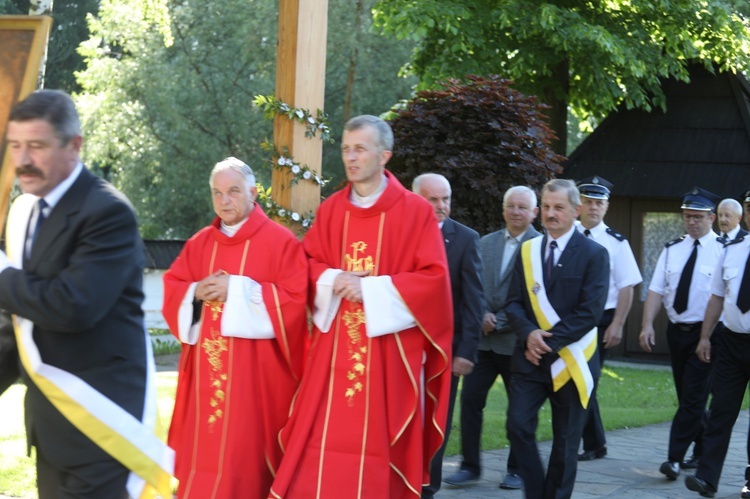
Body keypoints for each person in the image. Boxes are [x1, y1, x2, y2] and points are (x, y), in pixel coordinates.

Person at [268, 115, 453, 498]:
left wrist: (371, 290)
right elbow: (308, 265)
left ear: (384, 156)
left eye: (360, 150)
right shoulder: (333, 209)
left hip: (388, 357)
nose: (350, 158)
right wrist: (332, 279)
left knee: (376, 452)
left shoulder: (415, 211)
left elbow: (434, 282)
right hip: (333, 356)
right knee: (320, 444)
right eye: (346, 149)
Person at [0, 89, 173, 498]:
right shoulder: (26, 210)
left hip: (101, 427)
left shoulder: (107, 212)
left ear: (74, 146)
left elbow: (73, 306)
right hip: (51, 428)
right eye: (15, 145)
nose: (22, 159)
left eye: (37, 146)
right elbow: (18, 321)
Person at [162, 157, 308, 498]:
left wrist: (239, 290)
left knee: (244, 461)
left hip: (254, 381)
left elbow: (294, 301)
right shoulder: (199, 243)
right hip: (205, 379)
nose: (224, 201)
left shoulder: (280, 242)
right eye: (217, 193)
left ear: (254, 193)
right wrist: (194, 291)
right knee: (205, 454)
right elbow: (173, 289)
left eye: (233, 191)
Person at [505, 178, 609, 499]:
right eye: (546, 207)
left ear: (576, 210)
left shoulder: (595, 254)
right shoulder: (527, 251)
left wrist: (546, 341)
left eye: (558, 208)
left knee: (565, 443)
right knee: (517, 427)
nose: (550, 214)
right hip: (530, 360)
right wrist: (529, 334)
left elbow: (589, 312)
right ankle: (536, 492)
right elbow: (512, 302)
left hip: (572, 361)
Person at [443, 185, 541, 491]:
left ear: (534, 213)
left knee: (519, 411)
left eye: (522, 207)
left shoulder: (540, 247)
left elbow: (532, 300)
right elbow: (470, 286)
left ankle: (517, 469)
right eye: (511, 206)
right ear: (503, 209)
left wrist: (496, 321)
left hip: (517, 344)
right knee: (470, 401)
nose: (515, 212)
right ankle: (470, 465)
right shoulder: (483, 243)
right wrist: (481, 314)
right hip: (482, 345)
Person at [639, 186, 723, 480]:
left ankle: (673, 459)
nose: (692, 222)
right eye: (688, 217)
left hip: (707, 334)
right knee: (688, 396)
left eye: (698, 217)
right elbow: (655, 289)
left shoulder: (723, 249)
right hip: (677, 332)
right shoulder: (672, 248)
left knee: (692, 398)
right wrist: (647, 324)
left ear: (711, 217)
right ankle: (702, 450)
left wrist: (709, 336)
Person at [412, 173, 483, 499]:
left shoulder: (466, 239)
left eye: (446, 199)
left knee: (435, 419)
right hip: (402, 349)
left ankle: (428, 485)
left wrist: (466, 352)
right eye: (433, 199)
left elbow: (473, 301)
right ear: (416, 200)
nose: (442, 206)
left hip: (445, 352)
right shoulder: (399, 235)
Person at [684, 189, 750, 499]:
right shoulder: (732, 249)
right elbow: (717, 297)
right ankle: (707, 478)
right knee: (721, 409)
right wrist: (705, 336)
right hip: (731, 343)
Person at [575, 176, 642, 461]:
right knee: (577, 380)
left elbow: (627, 286)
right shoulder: (567, 235)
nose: (593, 208)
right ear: (578, 205)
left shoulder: (616, 243)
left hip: (601, 322)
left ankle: (592, 444)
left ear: (606, 207)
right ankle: (595, 443)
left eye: (598, 203)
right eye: (588, 202)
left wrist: (618, 324)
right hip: (568, 320)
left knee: (586, 380)